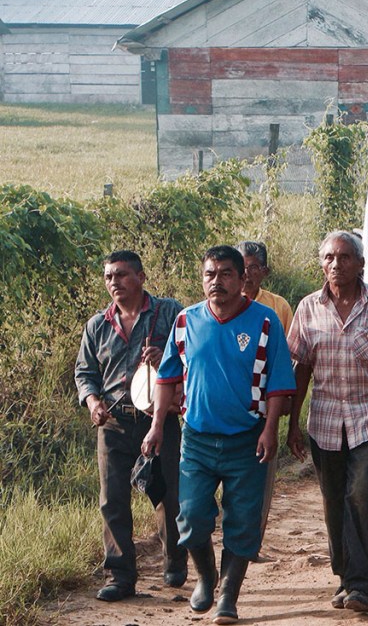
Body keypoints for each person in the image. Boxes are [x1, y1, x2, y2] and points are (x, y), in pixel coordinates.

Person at [142, 245, 295, 623]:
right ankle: (207, 578)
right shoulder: (185, 321)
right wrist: (157, 425)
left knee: (242, 522)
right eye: (210, 274)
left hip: (248, 437)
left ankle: (229, 594)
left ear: (243, 279)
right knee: (191, 518)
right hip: (196, 439)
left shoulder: (265, 322)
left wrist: (271, 429)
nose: (217, 282)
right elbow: (166, 378)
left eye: (226, 274)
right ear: (202, 279)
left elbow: (279, 382)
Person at [286, 231, 368, 613]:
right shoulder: (308, 308)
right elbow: (301, 368)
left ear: (360, 263)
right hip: (324, 419)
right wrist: (292, 422)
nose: (336, 265)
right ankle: (344, 574)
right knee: (332, 499)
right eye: (328, 258)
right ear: (321, 264)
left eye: (344, 257)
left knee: (359, 493)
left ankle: (360, 584)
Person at [75, 250, 188, 602]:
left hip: (161, 417)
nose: (114, 283)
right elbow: (85, 373)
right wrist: (93, 403)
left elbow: (195, 356)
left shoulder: (170, 312)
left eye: (122, 275)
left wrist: (169, 361)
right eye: (109, 276)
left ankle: (175, 558)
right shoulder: (98, 324)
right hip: (115, 422)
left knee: (167, 493)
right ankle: (120, 575)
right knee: (112, 499)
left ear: (141, 277)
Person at [236, 240, 293, 554]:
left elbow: (288, 359)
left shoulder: (277, 307)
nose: (246, 274)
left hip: (264, 404)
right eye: (241, 267)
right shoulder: (218, 303)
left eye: (253, 267)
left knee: (261, 475)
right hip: (229, 403)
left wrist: (283, 400)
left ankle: (251, 541)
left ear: (264, 271)